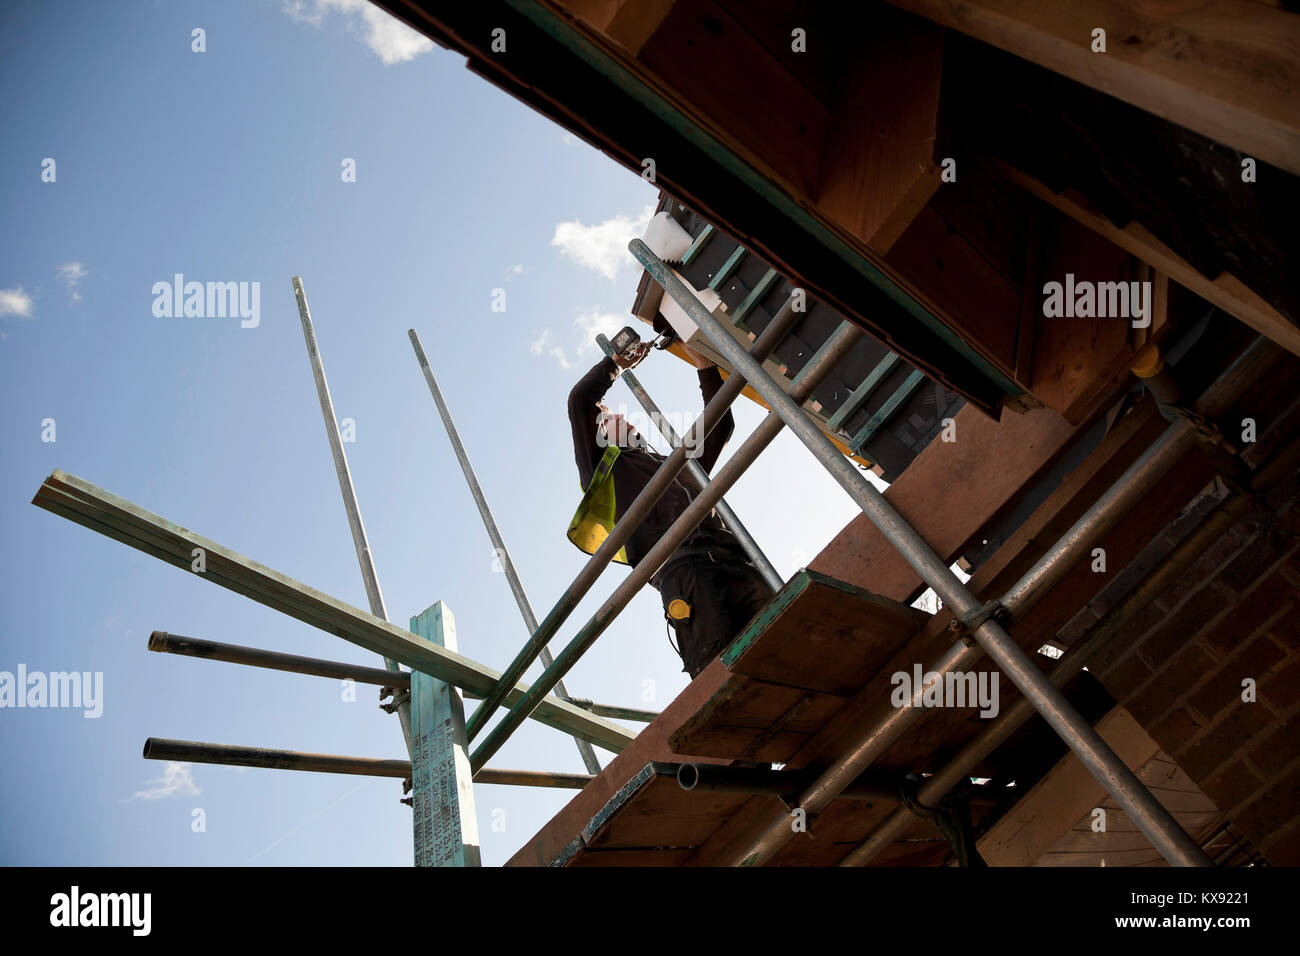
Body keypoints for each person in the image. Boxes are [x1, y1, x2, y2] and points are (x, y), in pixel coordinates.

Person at [566, 342, 776, 679]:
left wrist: (701, 360)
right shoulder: (602, 470)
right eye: (609, 418)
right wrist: (616, 362)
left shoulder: (674, 465)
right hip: (683, 570)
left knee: (783, 639)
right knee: (723, 672)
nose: (620, 416)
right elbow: (580, 401)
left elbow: (720, 425)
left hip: (736, 557)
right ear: (602, 434)